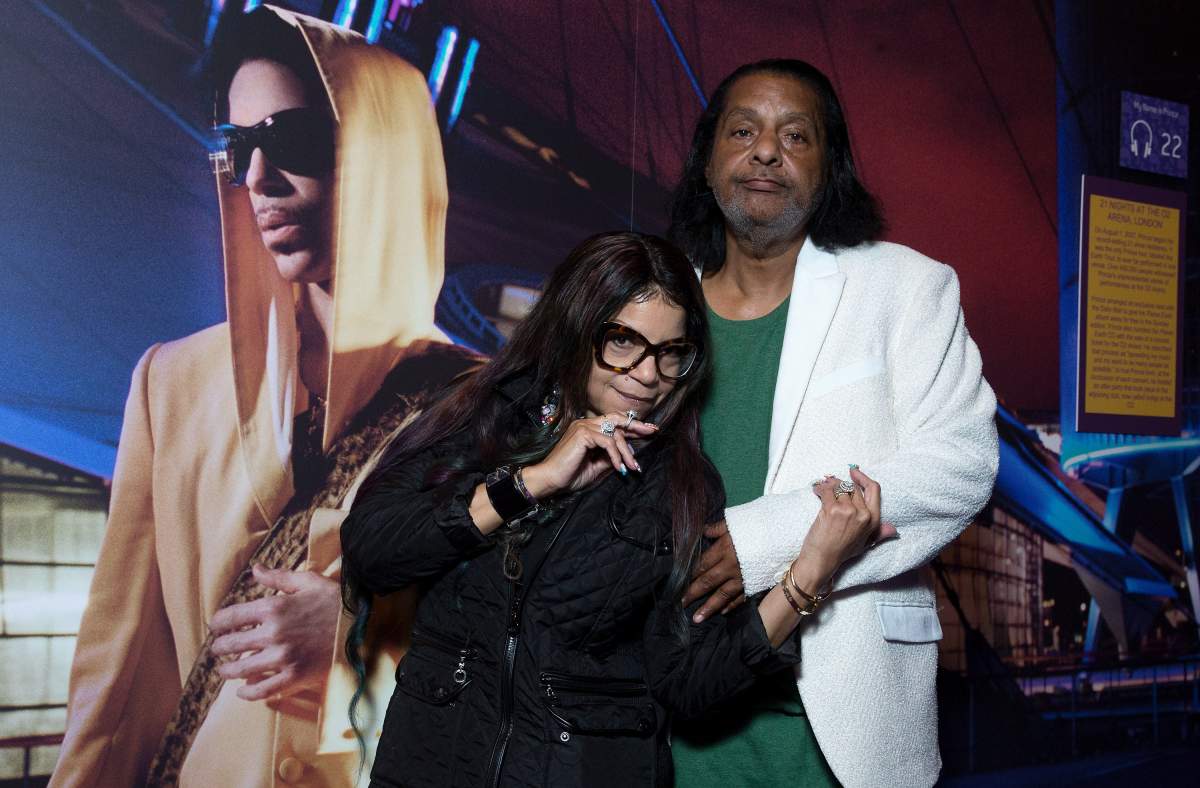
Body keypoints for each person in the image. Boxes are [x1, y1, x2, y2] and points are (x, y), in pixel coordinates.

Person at [51, 7, 475, 786]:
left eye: (292, 140)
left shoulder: (489, 409)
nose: (256, 179)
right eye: (240, 145)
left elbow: (531, 676)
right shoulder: (172, 385)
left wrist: (358, 640)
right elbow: (119, 685)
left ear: (383, 157)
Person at [339, 232, 886, 787]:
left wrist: (810, 573)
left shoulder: (680, 485)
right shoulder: (487, 420)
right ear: (574, 329)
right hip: (433, 766)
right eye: (623, 342)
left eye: (671, 352)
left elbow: (689, 683)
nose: (648, 375)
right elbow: (371, 552)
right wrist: (533, 482)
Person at [667, 60, 999, 787]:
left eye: (796, 136)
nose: (765, 150)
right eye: (743, 131)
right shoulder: (655, 300)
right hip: (667, 720)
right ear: (707, 159)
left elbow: (962, 463)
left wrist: (762, 543)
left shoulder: (907, 285)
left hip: (839, 731)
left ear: (830, 166)